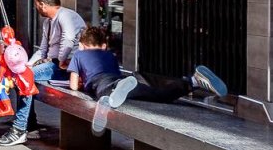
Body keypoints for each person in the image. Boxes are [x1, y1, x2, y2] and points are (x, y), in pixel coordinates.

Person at [68, 26, 227, 133]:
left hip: (102, 83)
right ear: (103, 45)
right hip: (121, 79)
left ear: (83, 45)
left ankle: (108, 98)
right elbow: (112, 71)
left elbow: (74, 85)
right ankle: (192, 82)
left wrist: (82, 82)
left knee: (104, 91)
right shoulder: (110, 55)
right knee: (157, 93)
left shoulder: (79, 55)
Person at [0, 0, 88, 147]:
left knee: (25, 78)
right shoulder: (48, 22)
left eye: (36, 4)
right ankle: (29, 126)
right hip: (52, 63)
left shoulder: (66, 16)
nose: (36, 7)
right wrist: (27, 65)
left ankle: (19, 129)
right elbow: (43, 49)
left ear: (43, 4)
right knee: (21, 76)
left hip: (67, 68)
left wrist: (59, 61)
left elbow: (68, 41)